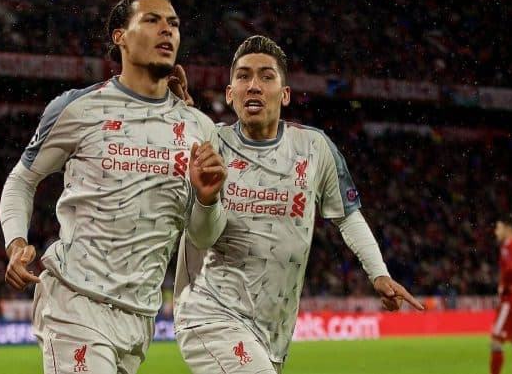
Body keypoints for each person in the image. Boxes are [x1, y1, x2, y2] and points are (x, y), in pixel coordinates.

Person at [0, 0, 227, 374]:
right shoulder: (77, 108)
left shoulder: (199, 128)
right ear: (119, 36)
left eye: (173, 24)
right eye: (152, 20)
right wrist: (16, 242)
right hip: (74, 302)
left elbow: (203, 238)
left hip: (139, 317)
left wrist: (208, 200)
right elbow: (22, 180)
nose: (166, 30)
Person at [174, 35, 424, 374]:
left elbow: (347, 216)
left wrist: (378, 273)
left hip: (272, 330)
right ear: (230, 94)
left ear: (285, 94)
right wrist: (205, 196)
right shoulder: (208, 147)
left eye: (266, 76)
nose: (254, 86)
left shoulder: (314, 148)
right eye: (244, 76)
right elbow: (201, 238)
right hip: (210, 313)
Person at [490, 215, 512, 374]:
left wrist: (503, 286)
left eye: (498, 228)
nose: (496, 232)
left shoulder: (508, 248)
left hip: (509, 299)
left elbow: (510, 268)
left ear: (508, 229)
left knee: (496, 340)